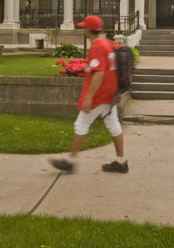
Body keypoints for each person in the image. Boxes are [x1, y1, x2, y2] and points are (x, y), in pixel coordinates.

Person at [50, 15, 128, 174]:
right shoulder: (105, 43)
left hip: (100, 95)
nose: (83, 29)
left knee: (81, 124)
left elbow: (99, 74)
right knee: (113, 125)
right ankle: (121, 162)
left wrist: (89, 97)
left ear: (88, 29)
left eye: (84, 27)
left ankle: (70, 162)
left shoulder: (97, 46)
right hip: (110, 93)